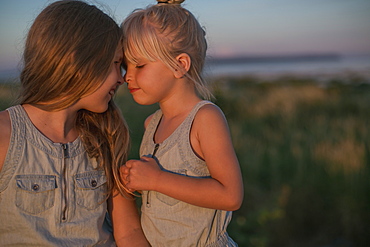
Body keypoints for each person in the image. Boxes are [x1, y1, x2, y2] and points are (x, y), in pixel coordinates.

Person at [0, 1, 149, 246]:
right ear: (79, 62)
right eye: (115, 63)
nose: (122, 78)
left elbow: (129, 232)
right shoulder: (6, 135)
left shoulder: (105, 137)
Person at [120, 0, 244, 246]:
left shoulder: (205, 118)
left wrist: (156, 180)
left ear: (180, 65)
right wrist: (136, 178)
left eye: (139, 65)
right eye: (125, 66)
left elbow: (231, 195)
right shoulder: (151, 124)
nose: (127, 76)